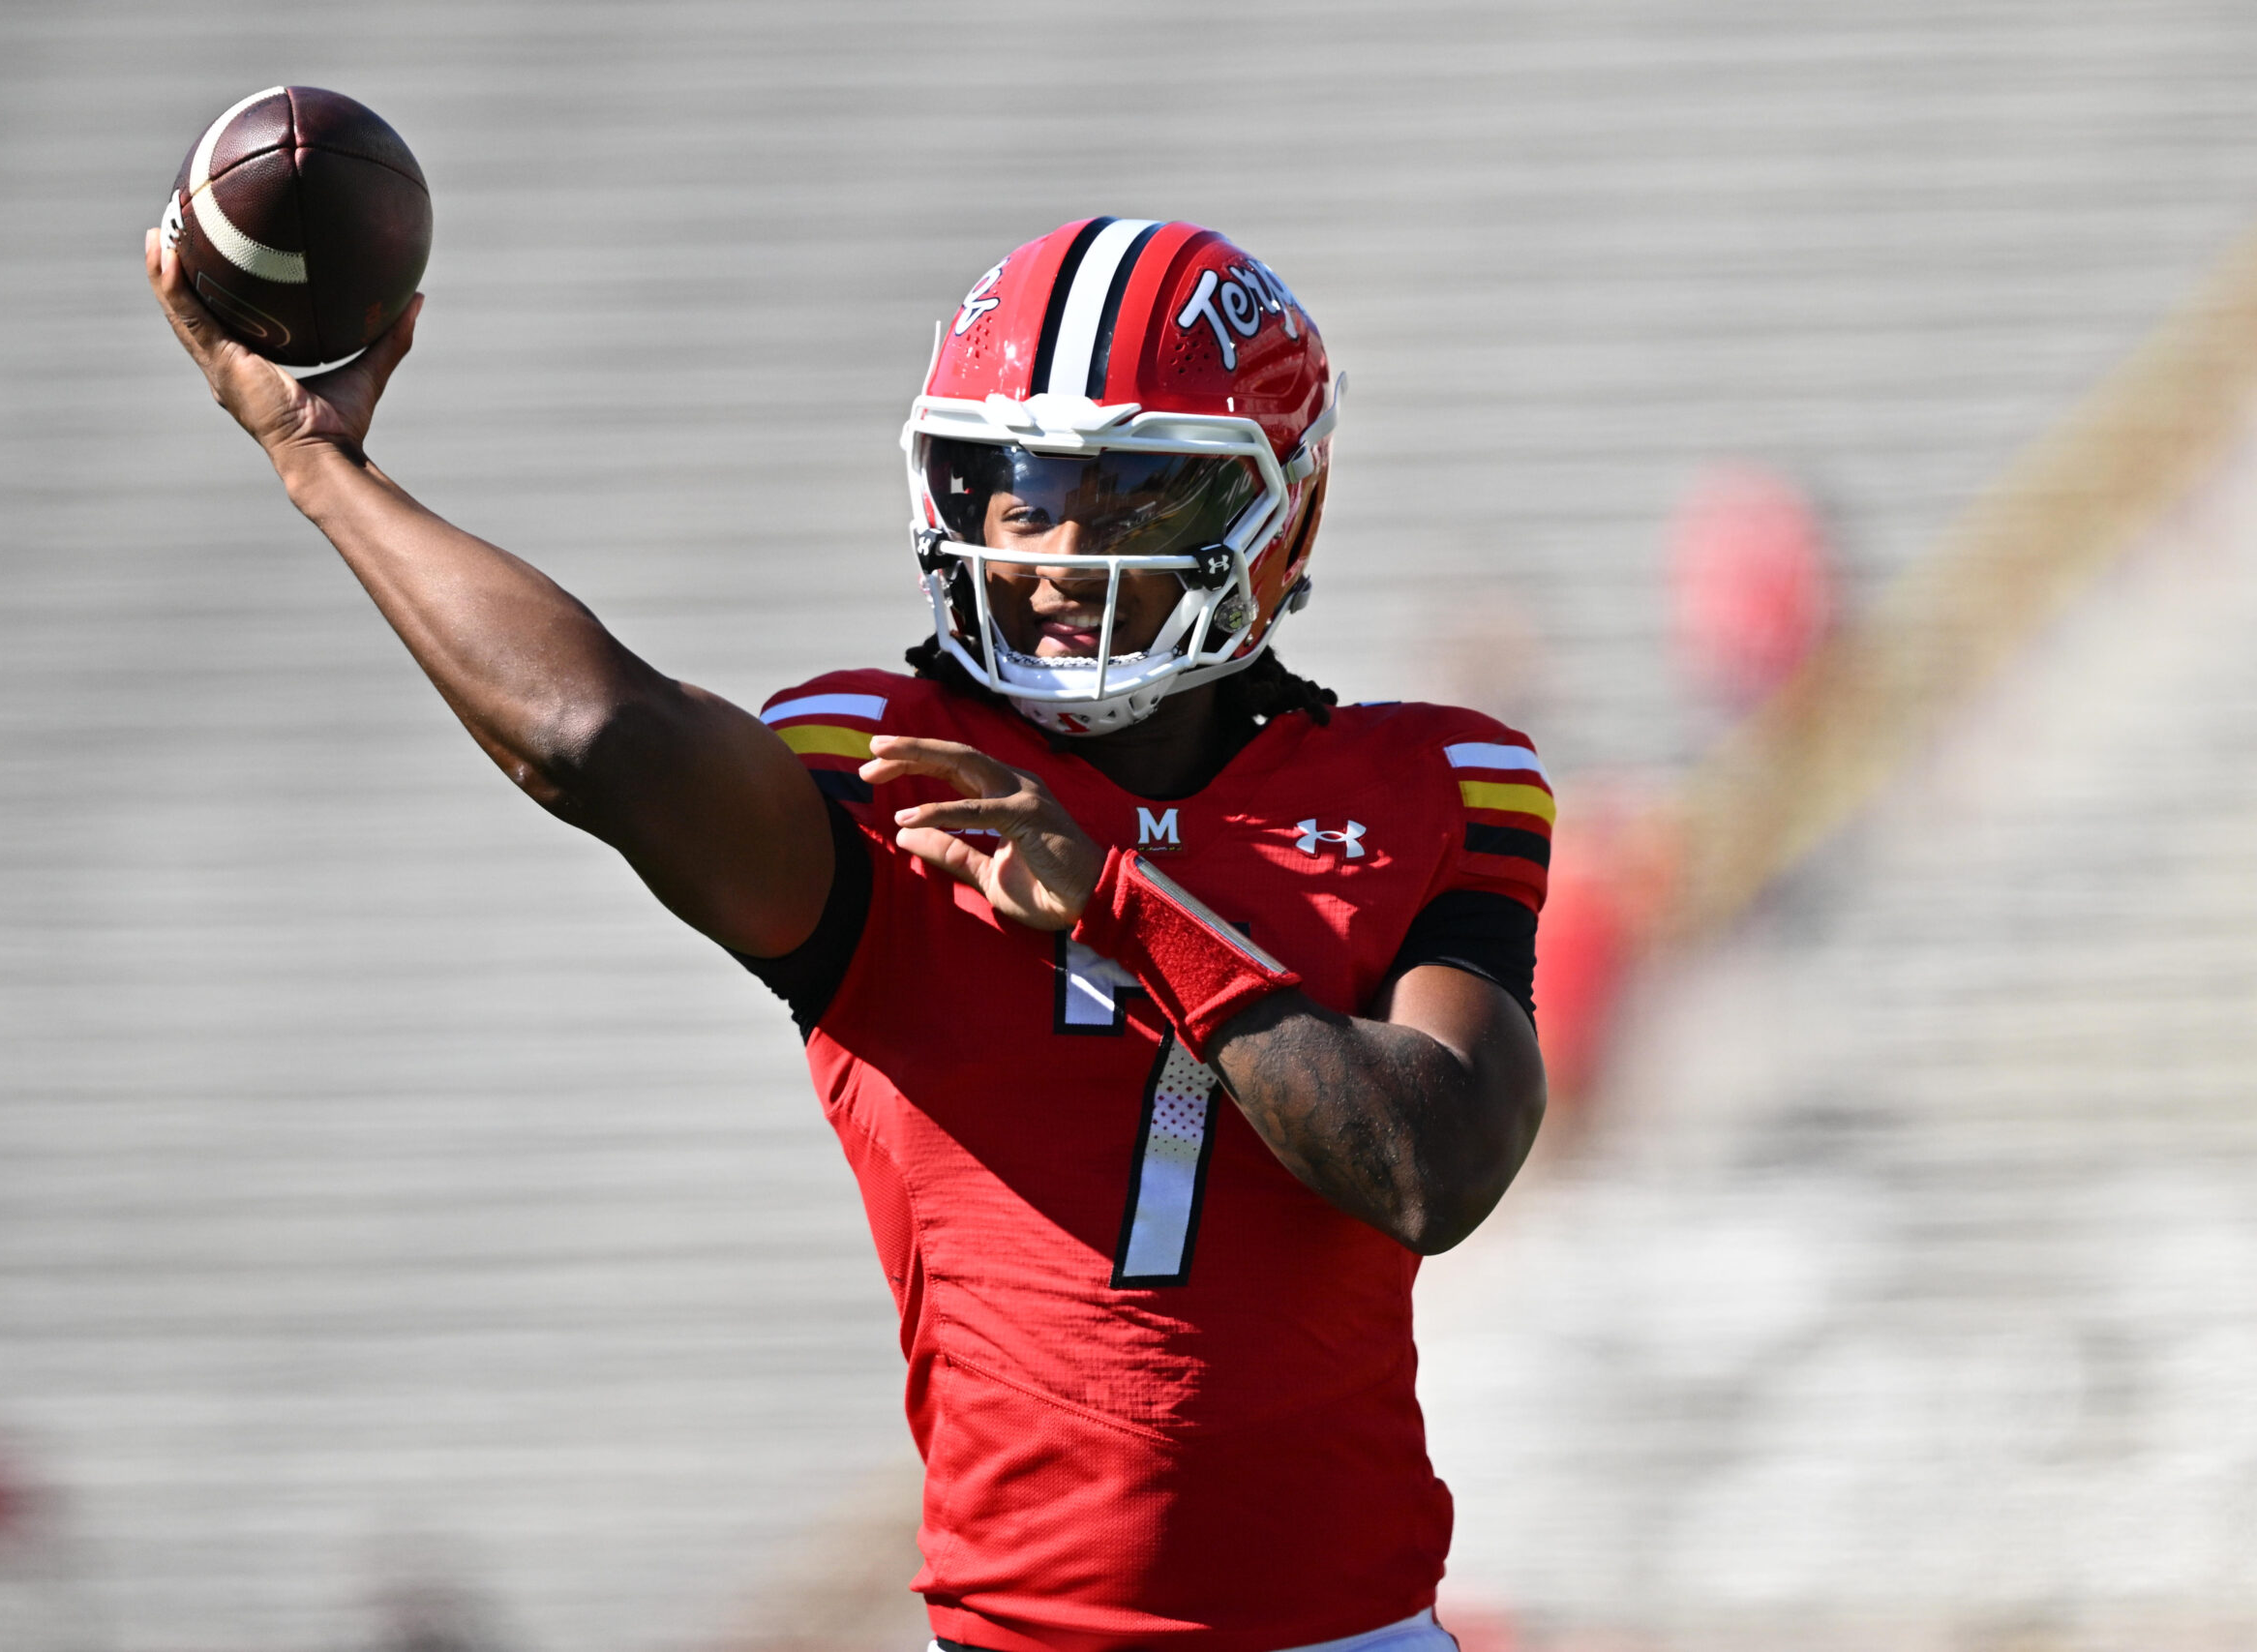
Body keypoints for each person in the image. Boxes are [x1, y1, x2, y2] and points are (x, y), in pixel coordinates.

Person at [146, 214, 1550, 1652]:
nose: (1057, 554)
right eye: (1013, 492)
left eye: (1130, 496)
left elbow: (1429, 1168)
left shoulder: (1428, 785)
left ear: (1278, 511)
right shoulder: (884, 770)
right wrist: (318, 464)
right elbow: (589, 733)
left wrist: (1125, 905)